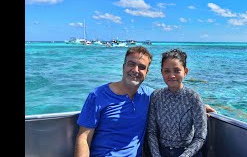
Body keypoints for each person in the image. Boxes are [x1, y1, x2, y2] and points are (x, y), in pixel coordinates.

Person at [74, 46, 215, 157]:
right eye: (131, 64)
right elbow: (83, 137)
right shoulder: (98, 95)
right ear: (123, 66)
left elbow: (174, 99)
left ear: (146, 72)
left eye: (142, 67)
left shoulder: (149, 95)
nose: (135, 70)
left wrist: (199, 107)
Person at [147, 49, 207, 157]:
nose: (172, 75)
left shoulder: (193, 98)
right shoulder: (156, 96)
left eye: (177, 70)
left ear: (185, 71)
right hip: (161, 152)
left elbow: (200, 136)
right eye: (167, 71)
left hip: (188, 152)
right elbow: (152, 132)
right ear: (161, 72)